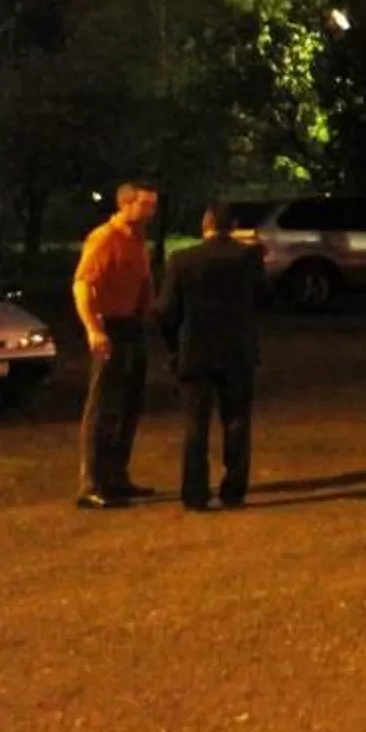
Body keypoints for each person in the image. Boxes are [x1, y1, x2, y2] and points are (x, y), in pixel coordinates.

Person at [156, 203, 265, 512]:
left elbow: (165, 310)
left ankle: (195, 492)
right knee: (237, 422)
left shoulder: (182, 260)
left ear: (205, 225)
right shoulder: (249, 258)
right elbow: (264, 297)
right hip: (238, 351)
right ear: (233, 225)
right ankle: (234, 490)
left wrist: (175, 344)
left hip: (196, 352)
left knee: (195, 426)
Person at [72, 181, 159, 510]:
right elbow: (82, 286)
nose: (151, 212)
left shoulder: (137, 241)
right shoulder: (105, 238)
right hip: (110, 325)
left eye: (153, 205)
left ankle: (117, 476)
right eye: (146, 205)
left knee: (129, 403)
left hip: (132, 326)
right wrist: (93, 328)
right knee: (103, 406)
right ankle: (91, 483)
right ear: (125, 204)